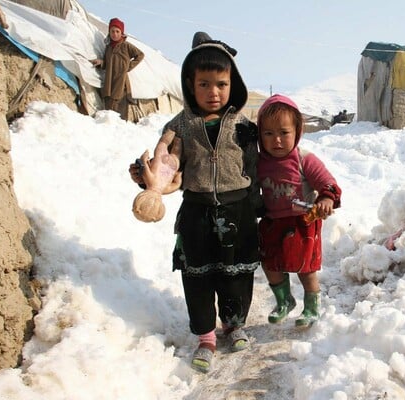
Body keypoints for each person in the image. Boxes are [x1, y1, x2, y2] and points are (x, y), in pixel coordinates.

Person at [129, 32, 261, 374]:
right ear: (190, 84)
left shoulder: (245, 127)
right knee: (198, 277)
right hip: (197, 213)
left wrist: (263, 205)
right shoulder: (180, 127)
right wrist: (148, 178)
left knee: (236, 274)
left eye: (221, 83)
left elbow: (257, 167)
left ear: (233, 84)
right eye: (204, 84)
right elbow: (168, 164)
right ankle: (205, 336)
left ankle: (234, 324)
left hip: (238, 211)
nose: (213, 92)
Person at [256, 94, 342, 328]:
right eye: (268, 134)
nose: (277, 140)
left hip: (303, 222)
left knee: (306, 269)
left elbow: (327, 182)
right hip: (273, 222)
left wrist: (326, 198)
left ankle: (312, 308)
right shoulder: (259, 162)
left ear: (297, 131)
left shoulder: (304, 159)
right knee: (270, 265)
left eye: (284, 133)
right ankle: (284, 301)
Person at [90, 17, 144, 120]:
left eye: (117, 31)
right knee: (110, 111)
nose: (115, 34)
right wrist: (101, 62)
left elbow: (140, 55)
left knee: (120, 112)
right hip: (110, 81)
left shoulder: (126, 46)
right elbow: (107, 64)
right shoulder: (109, 47)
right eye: (112, 31)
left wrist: (128, 66)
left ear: (121, 32)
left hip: (121, 82)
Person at [131, 132, 182, 223]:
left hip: (174, 165)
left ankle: (179, 139)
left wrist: (178, 174)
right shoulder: (150, 181)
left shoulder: (166, 190)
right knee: (163, 143)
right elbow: (145, 166)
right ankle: (172, 130)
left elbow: (177, 184)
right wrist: (144, 157)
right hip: (161, 157)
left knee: (176, 151)